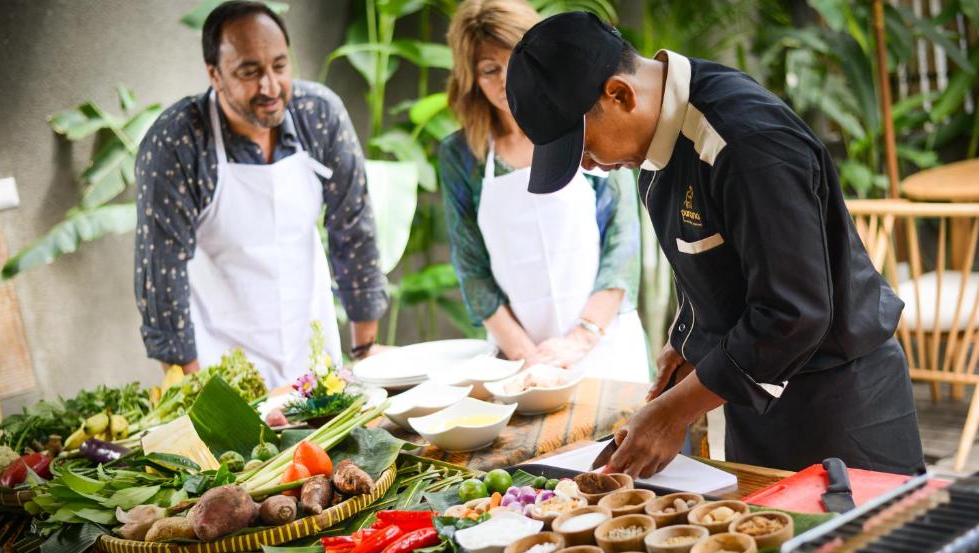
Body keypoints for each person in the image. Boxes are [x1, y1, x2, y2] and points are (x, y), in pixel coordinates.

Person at [505, 12, 925, 476]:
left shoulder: (745, 142)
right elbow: (715, 258)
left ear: (619, 94)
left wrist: (675, 412)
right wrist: (686, 342)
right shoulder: (657, 134)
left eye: (583, 146)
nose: (590, 163)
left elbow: (794, 312)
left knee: (858, 545)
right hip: (754, 399)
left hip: (838, 407)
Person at [133, 1, 388, 386]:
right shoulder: (178, 141)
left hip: (314, 354)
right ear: (215, 75)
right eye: (249, 72)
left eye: (279, 66)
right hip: (222, 364)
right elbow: (162, 275)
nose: (270, 86)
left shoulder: (318, 115)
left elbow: (353, 231)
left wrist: (366, 349)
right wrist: (197, 390)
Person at [437, 0, 649, 382]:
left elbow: (623, 245)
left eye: (514, 61)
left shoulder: (588, 121)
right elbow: (471, 269)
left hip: (605, 343)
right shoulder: (461, 156)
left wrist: (582, 339)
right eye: (489, 70)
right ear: (469, 79)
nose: (505, 79)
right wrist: (528, 357)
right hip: (521, 357)